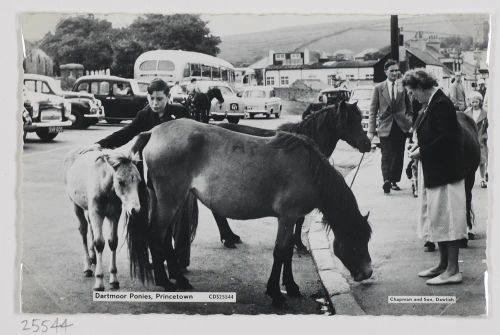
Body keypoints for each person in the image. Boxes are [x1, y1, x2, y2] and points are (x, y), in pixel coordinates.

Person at [79, 78, 192, 269]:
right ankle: (156, 259)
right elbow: (126, 132)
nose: (155, 103)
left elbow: (195, 138)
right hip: (152, 174)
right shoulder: (145, 115)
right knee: (153, 217)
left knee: (181, 217)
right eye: (152, 98)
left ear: (168, 98)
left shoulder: (180, 113)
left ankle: (181, 260)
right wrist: (99, 144)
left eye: (160, 99)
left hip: (180, 174)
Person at [404, 69, 467, 285]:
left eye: (413, 92)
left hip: (446, 173)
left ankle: (453, 270)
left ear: (422, 87)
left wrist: (422, 151)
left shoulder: (442, 104)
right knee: (438, 218)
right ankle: (442, 265)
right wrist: (419, 145)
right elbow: (434, 134)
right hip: (436, 171)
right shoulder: (432, 103)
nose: (412, 97)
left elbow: (447, 139)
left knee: (449, 220)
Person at [368, 59, 412, 194]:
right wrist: (371, 130)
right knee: (386, 154)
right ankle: (386, 180)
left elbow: (409, 108)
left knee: (398, 155)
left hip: (400, 126)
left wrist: (409, 122)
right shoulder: (378, 88)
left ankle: (394, 181)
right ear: (385, 72)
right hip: (385, 127)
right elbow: (373, 110)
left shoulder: (402, 87)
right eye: (391, 70)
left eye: (396, 70)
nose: (394, 73)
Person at [464, 91, 488, 188]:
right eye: (472, 102)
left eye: (476, 102)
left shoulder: (485, 113)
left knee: (482, 161)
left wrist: (485, 135)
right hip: (470, 139)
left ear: (480, 102)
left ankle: (482, 179)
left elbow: (488, 126)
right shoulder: (466, 112)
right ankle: (469, 179)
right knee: (470, 161)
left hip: (481, 139)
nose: (474, 104)